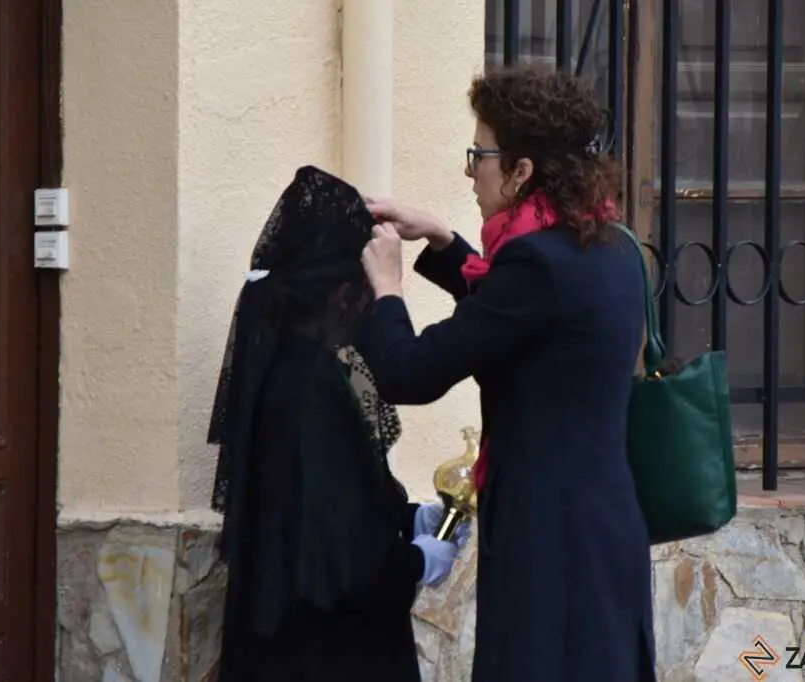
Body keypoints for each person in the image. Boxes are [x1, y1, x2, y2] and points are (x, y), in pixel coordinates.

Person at [357, 67, 657, 681]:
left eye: (481, 155)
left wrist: (386, 290)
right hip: (601, 529)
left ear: (521, 172)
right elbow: (512, 314)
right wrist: (442, 239)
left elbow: (408, 374)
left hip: (550, 542)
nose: (472, 171)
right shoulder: (608, 243)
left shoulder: (535, 264)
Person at [206, 166, 468, 682]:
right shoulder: (309, 388)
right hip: (326, 653)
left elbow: (324, 504)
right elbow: (339, 561)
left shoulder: (287, 370)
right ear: (344, 294)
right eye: (369, 289)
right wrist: (416, 562)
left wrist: (405, 516)